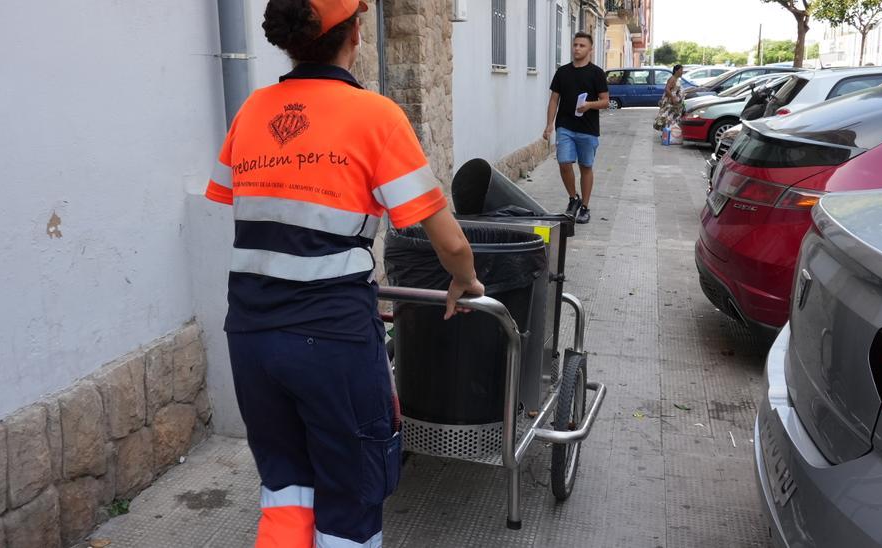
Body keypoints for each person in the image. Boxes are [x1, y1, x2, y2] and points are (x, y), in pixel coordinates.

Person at [204, 0, 485, 546]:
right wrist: (465, 278)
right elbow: (448, 239)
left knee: (285, 489)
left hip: (251, 334)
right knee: (350, 494)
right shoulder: (375, 115)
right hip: (331, 337)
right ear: (355, 33)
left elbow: (238, 200)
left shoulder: (252, 110)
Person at [543, 32, 609, 225]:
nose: (577, 48)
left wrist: (589, 105)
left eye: (581, 45)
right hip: (565, 126)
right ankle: (573, 198)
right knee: (564, 163)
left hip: (588, 128)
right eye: (575, 45)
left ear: (590, 49)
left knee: (586, 167)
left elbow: (605, 101)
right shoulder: (562, 72)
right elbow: (554, 99)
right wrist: (549, 124)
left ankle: (585, 208)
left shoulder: (597, 73)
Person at [654, 64, 686, 145]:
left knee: (672, 119)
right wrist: (673, 97)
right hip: (670, 103)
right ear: (676, 71)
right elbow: (667, 89)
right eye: (681, 70)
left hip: (675, 104)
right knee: (668, 118)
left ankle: (668, 134)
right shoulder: (672, 79)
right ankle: (667, 134)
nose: (682, 72)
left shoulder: (676, 79)